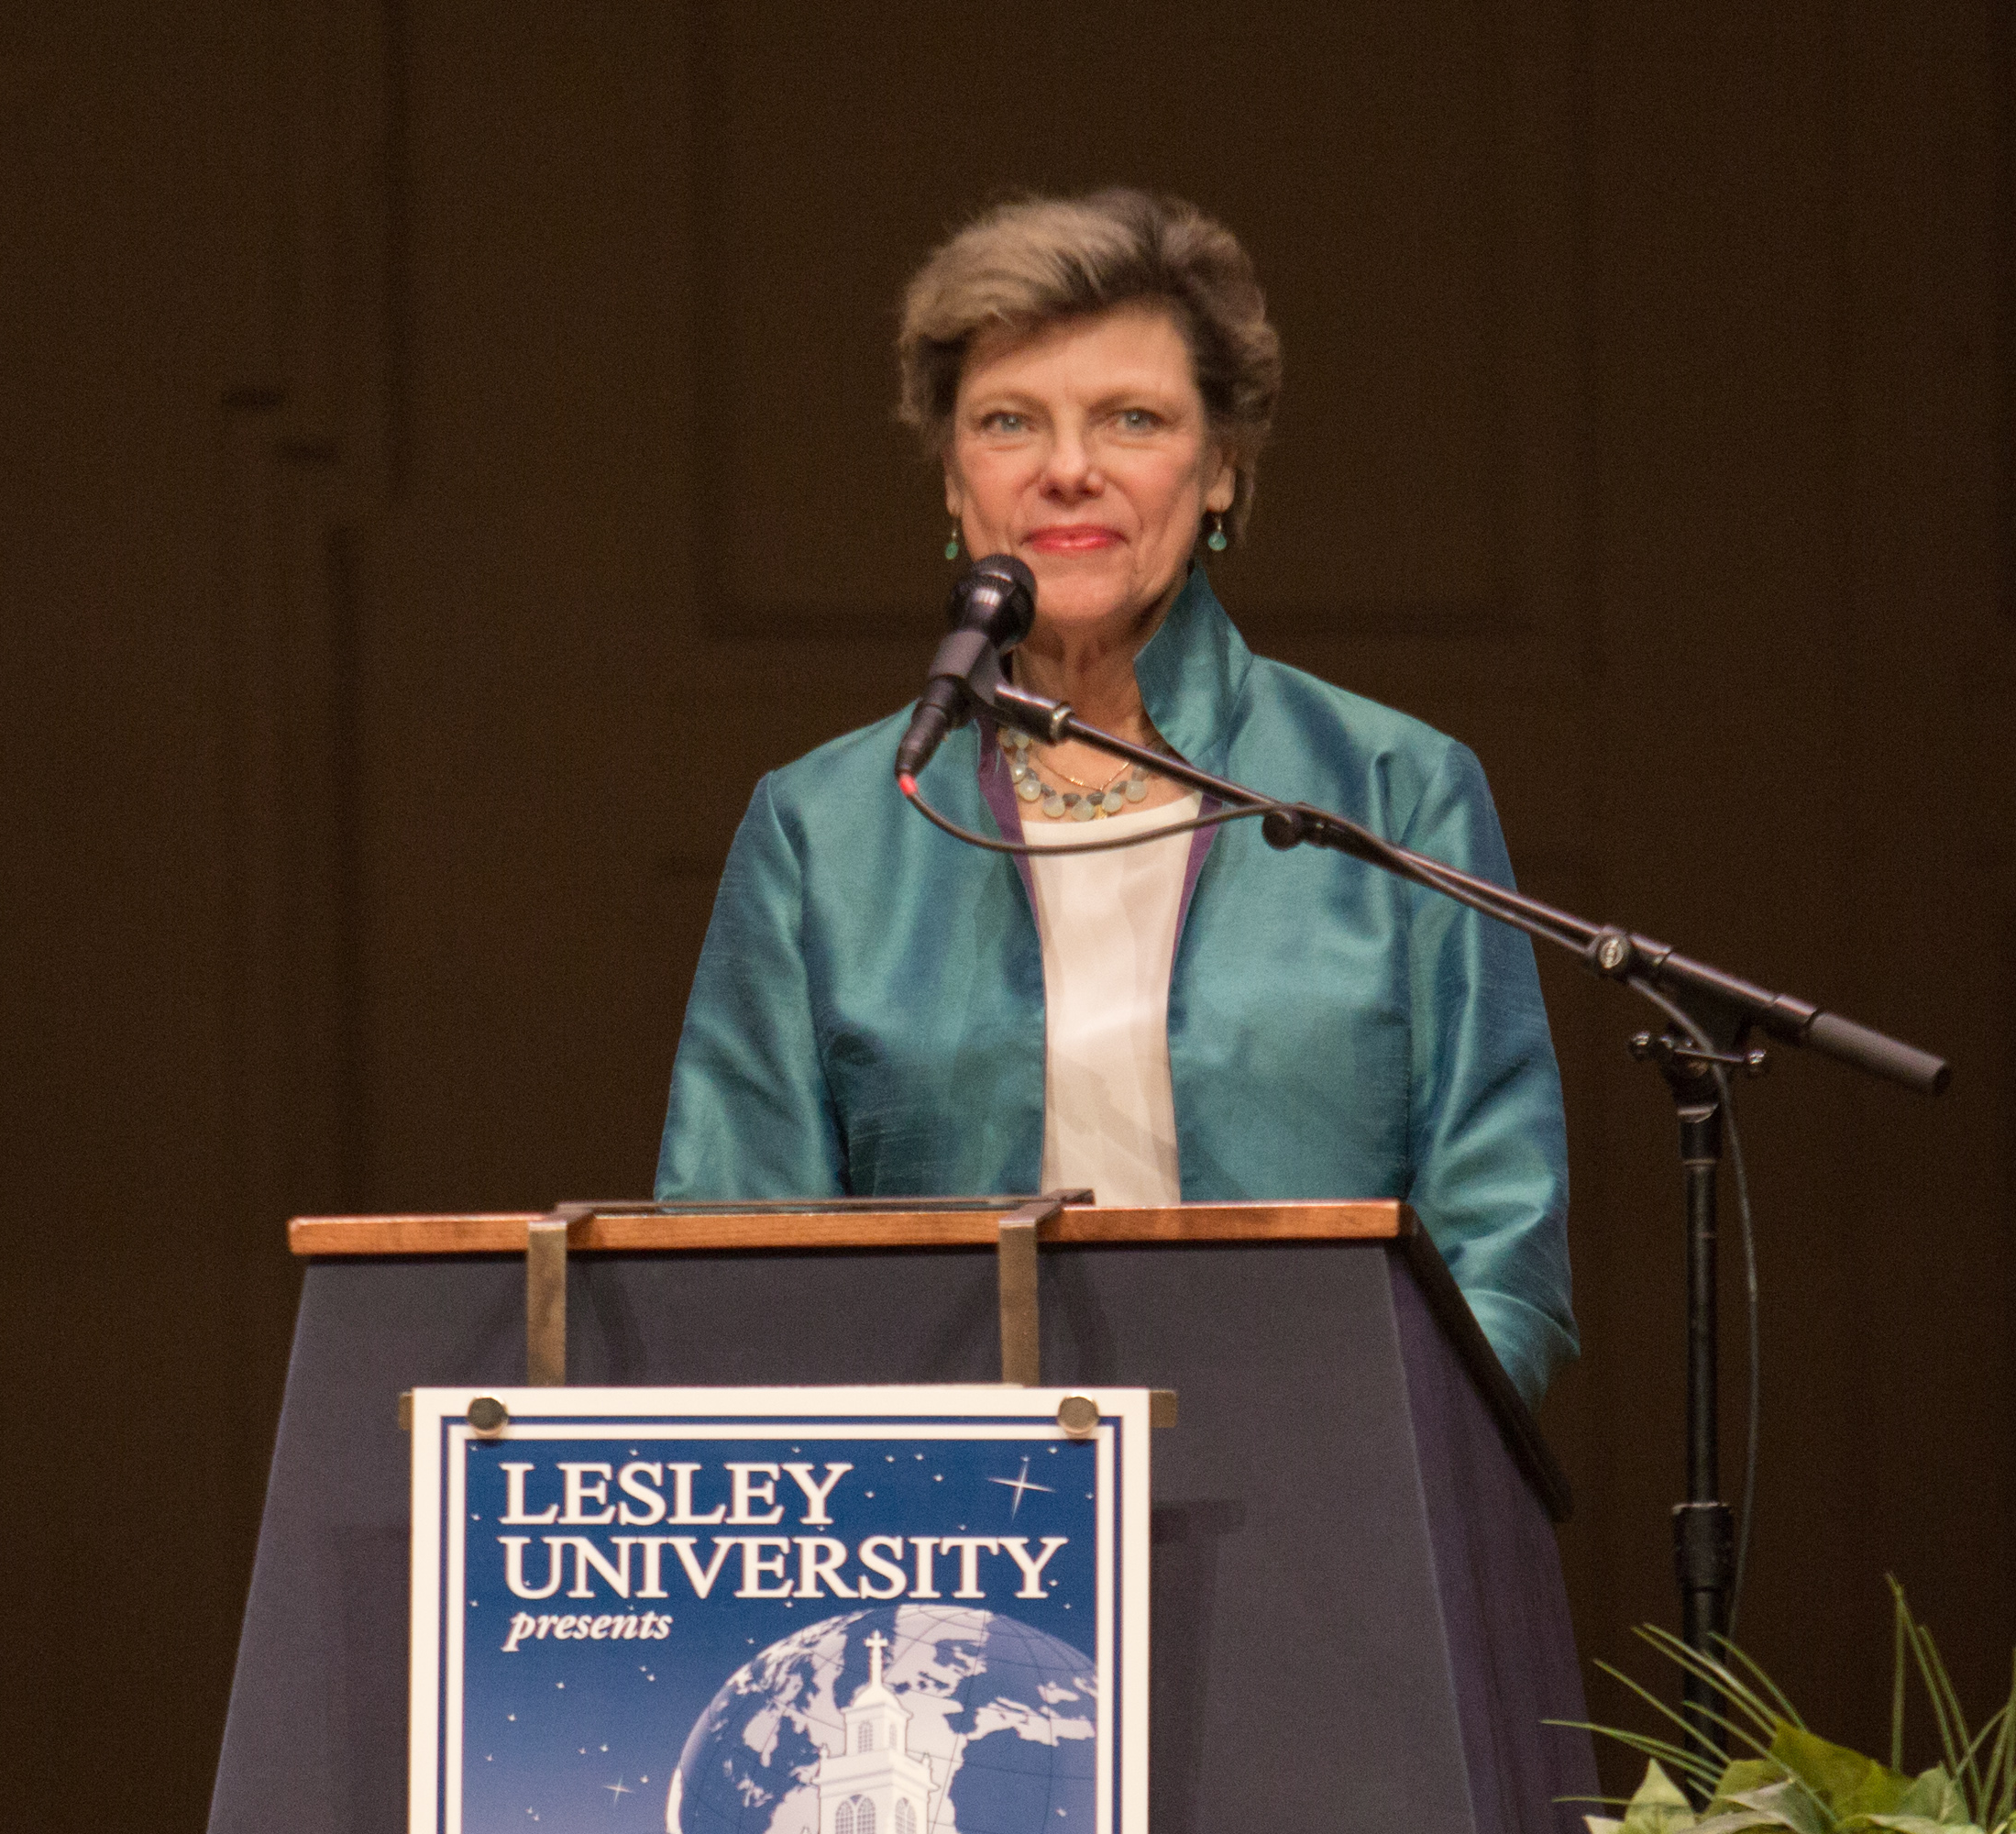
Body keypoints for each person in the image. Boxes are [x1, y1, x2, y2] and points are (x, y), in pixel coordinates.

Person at [655, 189, 1576, 1405]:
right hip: (946, 1555)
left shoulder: (1395, 789)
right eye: (1008, 422)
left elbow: (1502, 1257)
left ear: (1221, 470)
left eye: (1131, 418)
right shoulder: (825, 829)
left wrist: (1363, 1464)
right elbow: (729, 1262)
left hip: (1320, 1516)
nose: (1069, 469)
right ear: (951, 479)